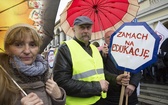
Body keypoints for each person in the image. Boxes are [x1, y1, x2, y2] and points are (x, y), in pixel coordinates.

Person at [53, 16, 130, 105]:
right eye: (82, 27)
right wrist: (97, 87)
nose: (86, 30)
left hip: (99, 101)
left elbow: (99, 73)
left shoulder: (94, 49)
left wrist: (115, 79)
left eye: (88, 27)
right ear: (74, 30)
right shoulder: (65, 49)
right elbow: (62, 82)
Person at [0, 23, 66, 105]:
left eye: (32, 45)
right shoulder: (3, 78)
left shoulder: (46, 73)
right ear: (7, 48)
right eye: (19, 45)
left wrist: (58, 97)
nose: (27, 51)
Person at [100, 30, 142, 105]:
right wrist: (103, 56)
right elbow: (101, 71)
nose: (110, 38)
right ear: (105, 40)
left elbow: (138, 69)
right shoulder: (102, 54)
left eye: (112, 36)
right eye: (108, 37)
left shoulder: (129, 50)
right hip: (111, 95)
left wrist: (133, 84)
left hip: (129, 93)